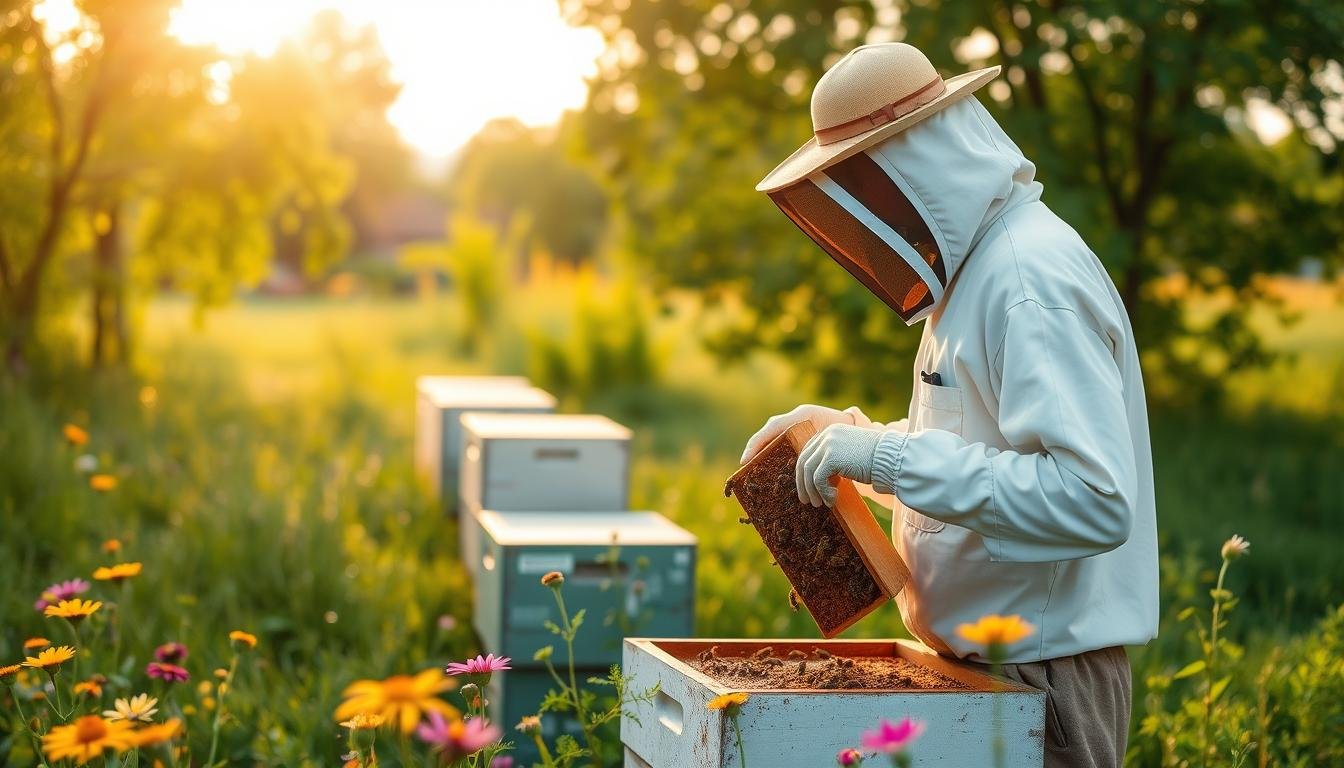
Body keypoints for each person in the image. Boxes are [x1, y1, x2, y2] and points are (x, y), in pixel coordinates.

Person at [739, 42, 1157, 768]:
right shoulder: (977, 275)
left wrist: (889, 460)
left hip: (1041, 683)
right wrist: (847, 440)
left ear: (916, 161)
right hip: (983, 671)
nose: (860, 210)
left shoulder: (1030, 281)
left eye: (859, 181)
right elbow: (980, 451)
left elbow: (1093, 499)